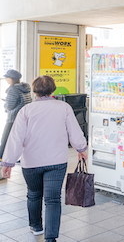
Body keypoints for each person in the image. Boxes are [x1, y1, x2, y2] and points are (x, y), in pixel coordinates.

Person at [0, 76, 87, 242]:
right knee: (53, 199)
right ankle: (51, 238)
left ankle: (36, 227)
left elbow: (16, 138)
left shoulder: (26, 110)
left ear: (34, 91)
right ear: (53, 90)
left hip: (31, 162)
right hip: (57, 162)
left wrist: (8, 162)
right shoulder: (64, 107)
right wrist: (81, 148)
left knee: (33, 194)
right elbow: (74, 132)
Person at [2, 70, 32, 163]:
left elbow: (9, 106)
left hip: (13, 118)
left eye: (8, 78)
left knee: (5, 139)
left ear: (12, 79)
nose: (7, 79)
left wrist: (5, 104)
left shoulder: (13, 89)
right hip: (25, 117)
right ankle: (24, 157)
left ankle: (2, 158)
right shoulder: (25, 87)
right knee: (23, 139)